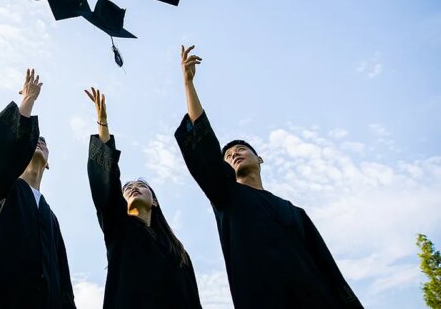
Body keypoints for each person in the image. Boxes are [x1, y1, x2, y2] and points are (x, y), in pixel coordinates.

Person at [174, 44, 363, 308]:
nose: (234, 154)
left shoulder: (294, 212)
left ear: (259, 158)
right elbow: (204, 147)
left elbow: (327, 267)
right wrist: (188, 85)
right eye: (228, 155)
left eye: (241, 150)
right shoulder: (227, 197)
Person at [84, 87, 203, 309]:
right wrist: (102, 124)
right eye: (127, 187)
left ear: (155, 201)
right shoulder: (119, 229)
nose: (133, 188)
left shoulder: (178, 252)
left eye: (141, 186)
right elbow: (106, 188)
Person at [0, 69, 75, 309]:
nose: (40, 141)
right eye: (35, 139)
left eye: (44, 142)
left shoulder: (50, 216)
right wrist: (28, 101)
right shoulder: (3, 188)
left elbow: (64, 283)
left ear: (48, 162)